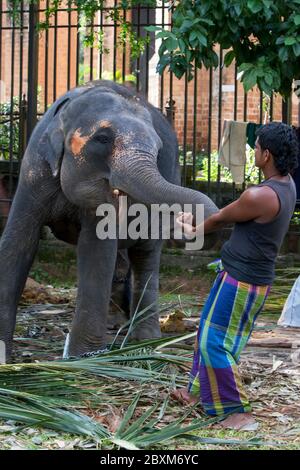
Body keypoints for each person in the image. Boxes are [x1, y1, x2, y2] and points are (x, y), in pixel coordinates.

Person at [174, 122, 299, 430]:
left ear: (266, 154)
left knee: (215, 342)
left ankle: (236, 412)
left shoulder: (260, 196)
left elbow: (219, 218)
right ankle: (195, 393)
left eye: (255, 147)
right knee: (206, 331)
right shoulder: (287, 184)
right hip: (239, 274)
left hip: (243, 280)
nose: (253, 151)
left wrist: (191, 229)